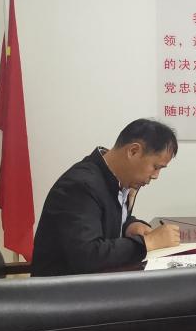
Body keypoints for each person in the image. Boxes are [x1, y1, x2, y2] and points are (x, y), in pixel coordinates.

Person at [31, 118, 181, 276]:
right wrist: (148, 243)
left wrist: (129, 226)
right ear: (133, 151)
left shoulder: (118, 180)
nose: (156, 176)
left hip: (97, 281)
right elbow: (87, 256)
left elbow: (103, 219)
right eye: (156, 167)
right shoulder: (80, 185)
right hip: (63, 287)